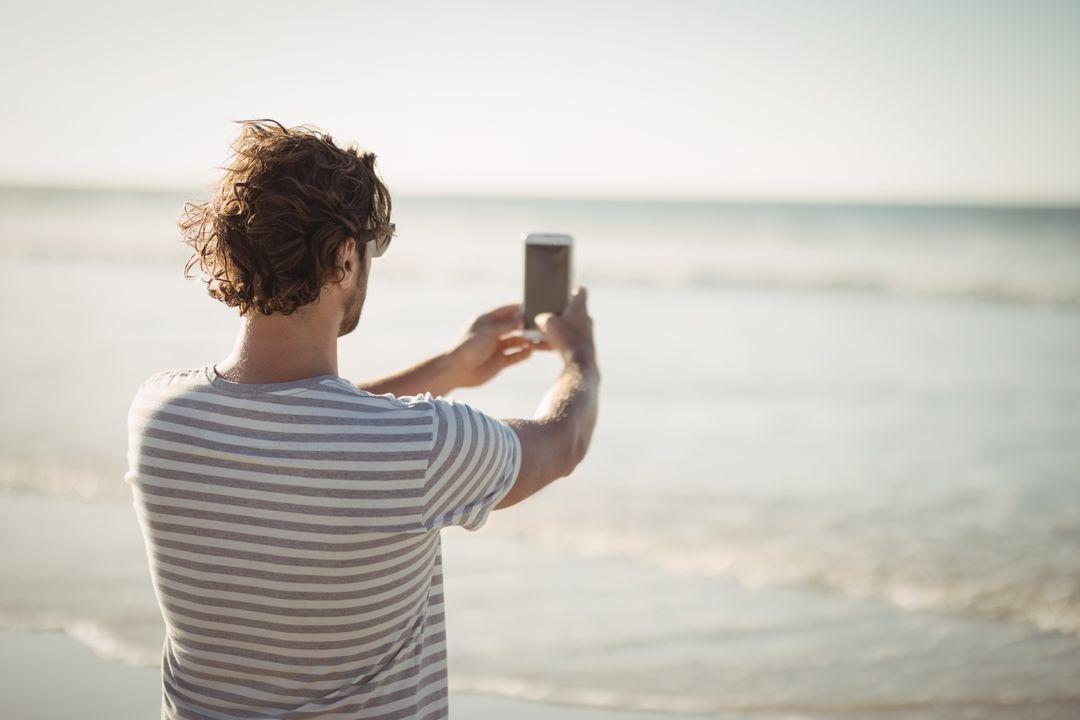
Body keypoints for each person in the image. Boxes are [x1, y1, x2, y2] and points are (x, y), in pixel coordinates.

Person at [125, 120, 600, 720]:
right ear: (344, 257)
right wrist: (579, 354)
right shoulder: (421, 448)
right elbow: (566, 441)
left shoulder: (159, 416)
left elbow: (300, 425)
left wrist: (451, 366)